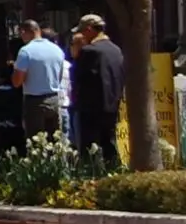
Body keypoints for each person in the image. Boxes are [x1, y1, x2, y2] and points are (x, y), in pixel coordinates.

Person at [71, 14, 126, 163]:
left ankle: (91, 180)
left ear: (89, 30)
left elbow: (77, 77)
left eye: (82, 32)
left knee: (90, 150)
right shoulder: (116, 50)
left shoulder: (89, 51)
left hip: (91, 108)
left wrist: (76, 53)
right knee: (109, 144)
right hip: (112, 105)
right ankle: (113, 174)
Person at [12, 18, 69, 146]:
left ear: (26, 32)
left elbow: (17, 81)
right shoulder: (57, 50)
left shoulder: (25, 51)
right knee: (54, 142)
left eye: (22, 33)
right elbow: (59, 77)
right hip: (54, 99)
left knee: (35, 143)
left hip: (34, 101)